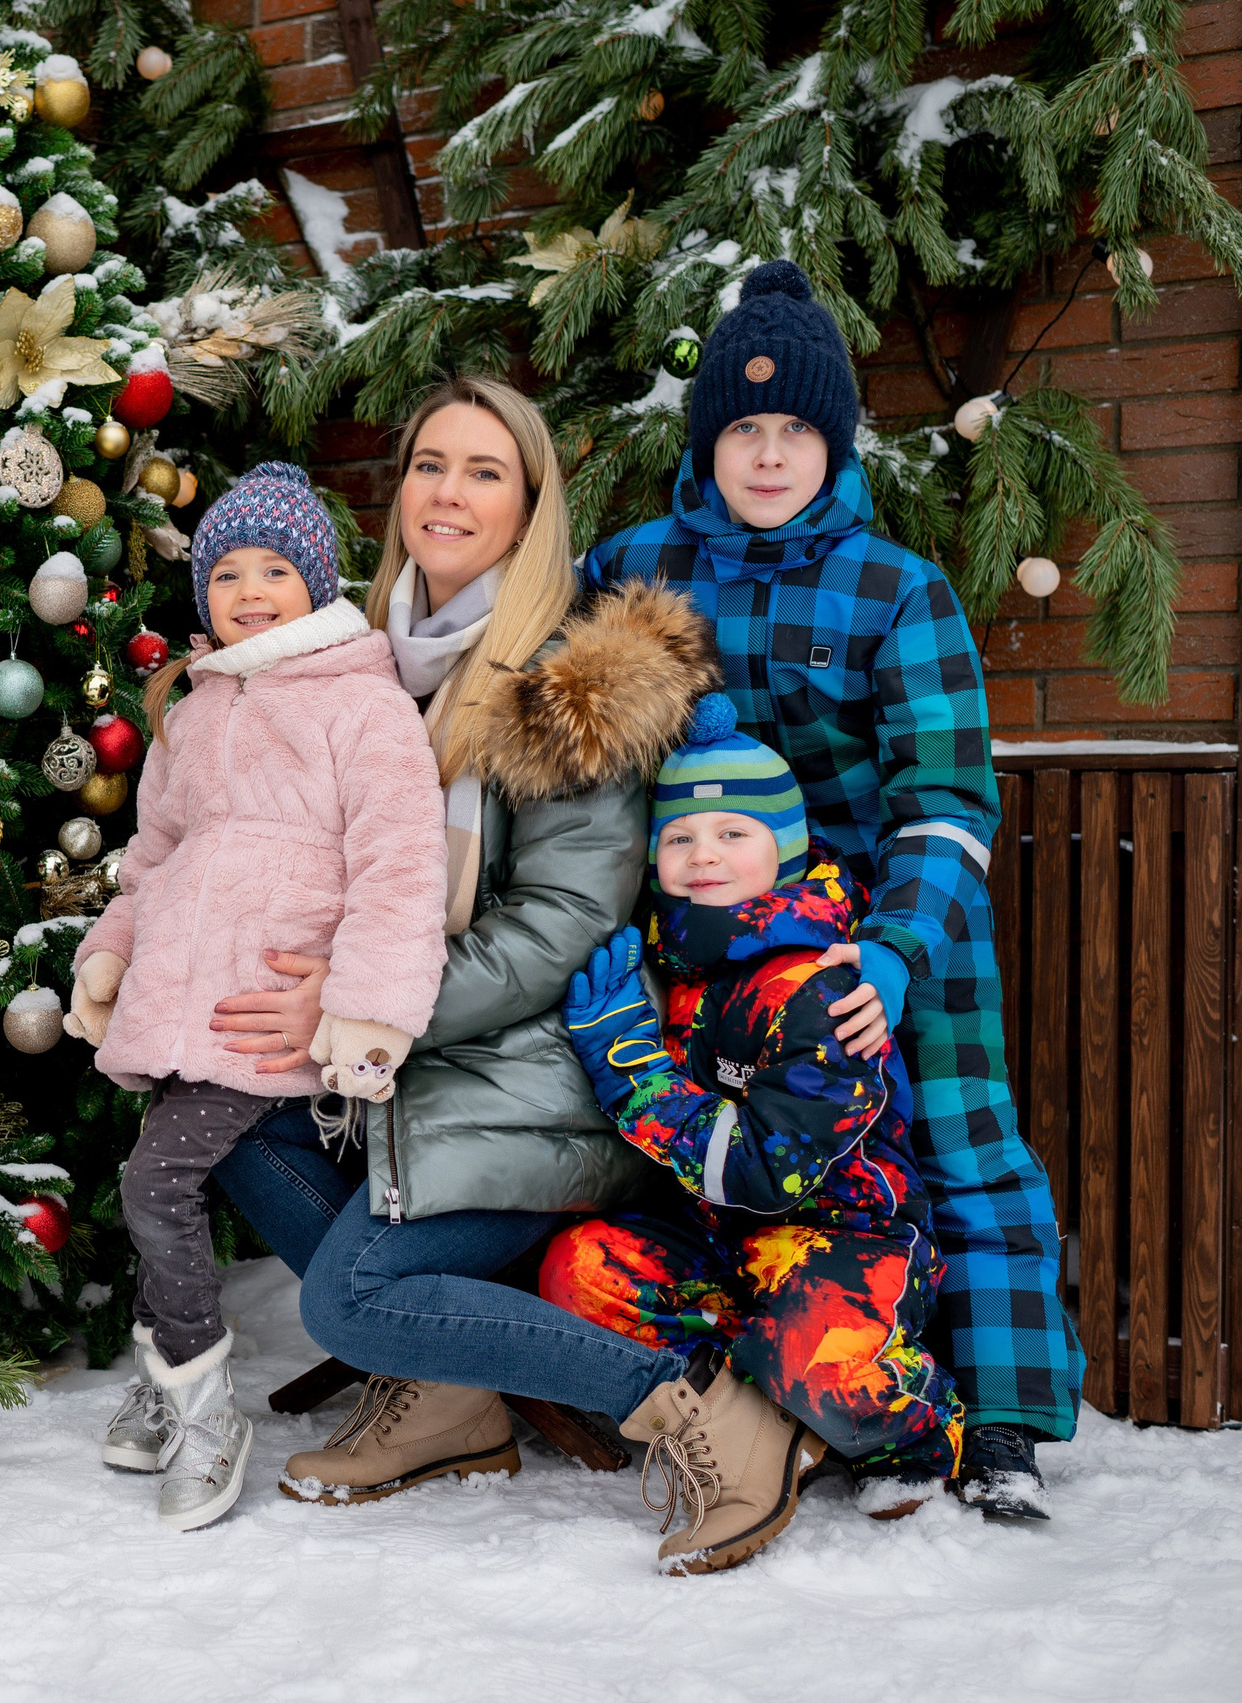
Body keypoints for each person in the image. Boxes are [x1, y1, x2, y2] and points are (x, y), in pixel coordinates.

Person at [581, 259, 1082, 1518]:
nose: (767, 455)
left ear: (834, 441)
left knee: (957, 1140)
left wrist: (901, 946)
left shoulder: (897, 586)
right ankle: (786, 1386)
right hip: (705, 923)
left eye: (795, 429)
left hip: (882, 920)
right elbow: (574, 737)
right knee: (707, 1152)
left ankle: (1002, 1419)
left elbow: (948, 796)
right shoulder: (632, 569)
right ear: (706, 440)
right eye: (742, 427)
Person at [197, 377, 723, 1505]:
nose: (448, 492)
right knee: (221, 1102)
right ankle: (447, 1395)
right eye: (430, 465)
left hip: (529, 1073)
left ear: (528, 509)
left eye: (485, 472)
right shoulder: (355, 663)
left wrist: (363, 1004)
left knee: (349, 1299)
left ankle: (697, 1403)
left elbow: (562, 924)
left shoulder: (565, 682)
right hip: (410, 1067)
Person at [62, 461, 450, 1531]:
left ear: (315, 582)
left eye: (274, 568)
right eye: (226, 572)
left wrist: (366, 1008)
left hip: (268, 1009)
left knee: (155, 1185)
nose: (248, 591)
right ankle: (165, 1381)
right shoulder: (195, 711)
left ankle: (203, 1409)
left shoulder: (362, 705)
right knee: (163, 1185)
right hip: (178, 1003)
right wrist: (110, 956)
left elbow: (400, 864)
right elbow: (154, 858)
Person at [543, 693, 965, 1574]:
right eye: (680, 837)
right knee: (579, 1273)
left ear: (786, 846)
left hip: (843, 1243)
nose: (704, 855)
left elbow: (767, 1173)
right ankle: (746, 1402)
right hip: (717, 1243)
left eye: (733, 833)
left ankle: (909, 1427)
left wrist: (633, 1072)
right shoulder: (671, 961)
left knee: (813, 1358)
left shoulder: (819, 988)